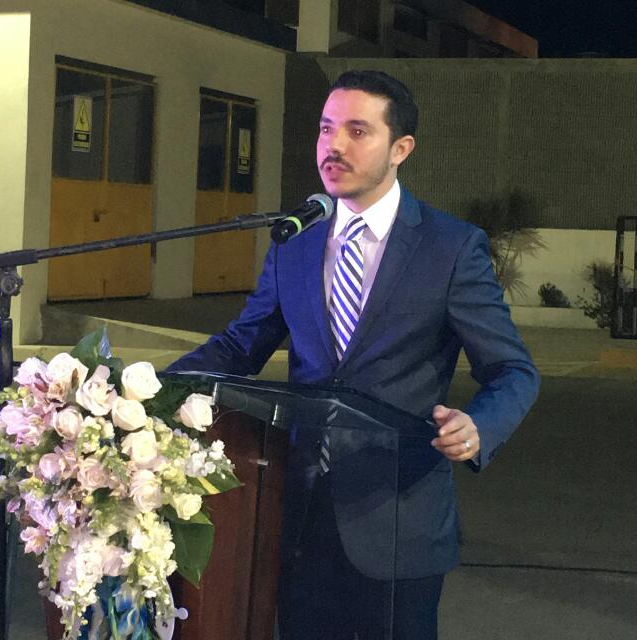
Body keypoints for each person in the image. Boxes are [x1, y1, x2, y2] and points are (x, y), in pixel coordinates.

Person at [167, 70, 540, 639]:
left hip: (399, 523)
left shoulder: (450, 247)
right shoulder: (295, 239)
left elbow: (513, 370)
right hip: (297, 516)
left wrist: (478, 426)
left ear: (401, 149)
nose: (334, 145)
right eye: (326, 128)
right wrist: (148, 389)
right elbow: (241, 345)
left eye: (357, 131)